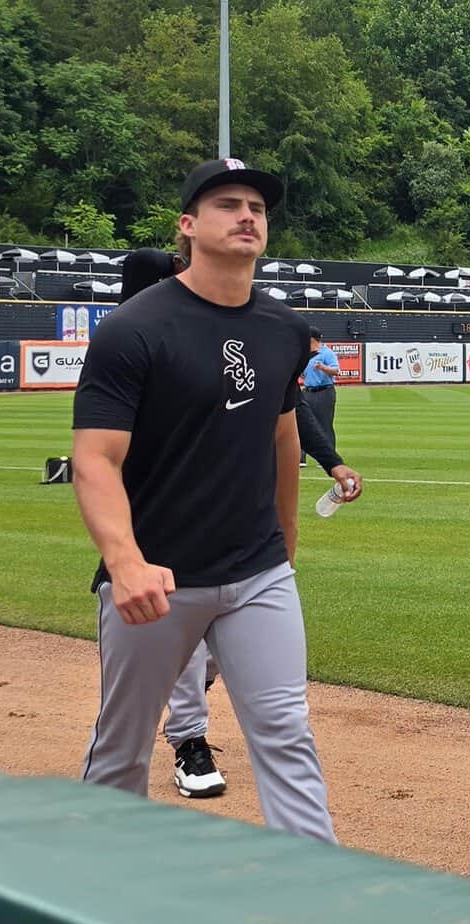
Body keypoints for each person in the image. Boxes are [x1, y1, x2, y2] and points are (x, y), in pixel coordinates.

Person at [72, 157, 357, 842]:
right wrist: (125, 560)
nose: (247, 216)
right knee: (122, 748)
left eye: (257, 206)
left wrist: (284, 547)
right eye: (228, 203)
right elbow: (95, 458)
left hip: (256, 572)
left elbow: (283, 440)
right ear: (188, 225)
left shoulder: (283, 330)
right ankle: (88, 894)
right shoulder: (134, 329)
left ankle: (320, 896)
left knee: (287, 734)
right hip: (157, 579)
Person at [111, 248, 362, 799]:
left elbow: (284, 421)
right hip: (160, 529)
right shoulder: (134, 339)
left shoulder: (241, 335)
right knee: (119, 744)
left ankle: (192, 706)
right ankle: (189, 740)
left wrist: (331, 463)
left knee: (248, 689)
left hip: (242, 536)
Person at [300, 327, 339, 463]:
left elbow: (336, 370)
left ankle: (329, 459)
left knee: (325, 425)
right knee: (302, 423)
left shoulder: (327, 353)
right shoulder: (305, 353)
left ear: (311, 339)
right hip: (307, 391)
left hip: (324, 392)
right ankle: (301, 458)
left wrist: (323, 367)